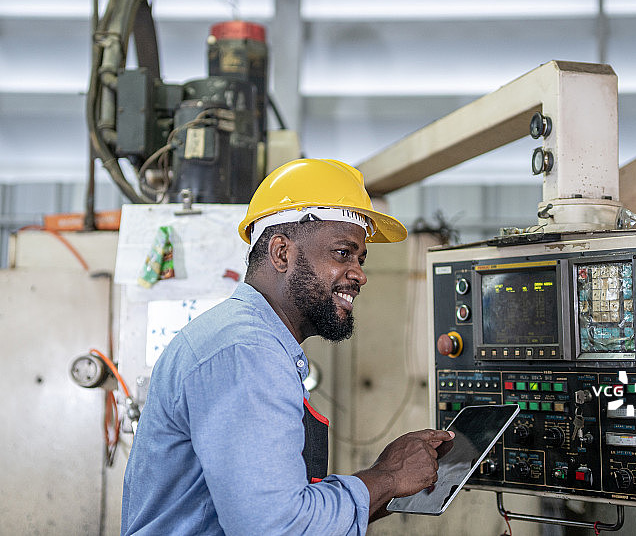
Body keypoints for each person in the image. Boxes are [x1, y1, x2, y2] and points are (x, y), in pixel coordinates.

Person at [121, 158, 454, 535]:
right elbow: (279, 527)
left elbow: (284, 511)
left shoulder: (248, 341)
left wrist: (388, 482)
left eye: (361, 259)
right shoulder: (246, 352)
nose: (360, 274)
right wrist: (387, 478)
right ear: (281, 253)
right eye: (343, 253)